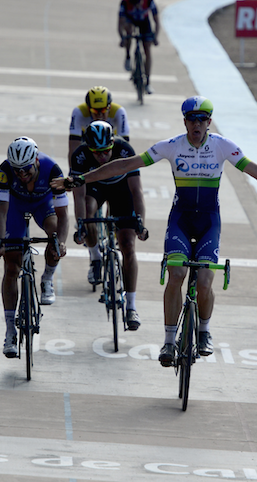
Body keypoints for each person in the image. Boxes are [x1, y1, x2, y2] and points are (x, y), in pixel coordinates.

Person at [51, 96, 257, 366]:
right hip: (181, 220)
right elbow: (126, 164)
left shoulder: (222, 146)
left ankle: (204, 331)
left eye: (202, 120)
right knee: (177, 275)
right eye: (192, 120)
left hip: (209, 221)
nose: (197, 125)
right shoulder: (172, 146)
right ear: (185, 122)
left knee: (205, 283)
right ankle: (169, 341)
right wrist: (78, 179)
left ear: (209, 122)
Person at [0, 137, 69, 358]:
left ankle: (46, 279)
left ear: (35, 160)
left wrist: (60, 242)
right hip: (15, 206)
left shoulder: (53, 171)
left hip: (43, 204)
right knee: (11, 267)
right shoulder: (5, 170)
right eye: (18, 171)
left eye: (26, 169)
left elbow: (63, 215)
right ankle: (9, 330)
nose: (21, 175)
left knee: (53, 236)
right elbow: (1, 210)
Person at [70, 120, 149, 330]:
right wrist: (81, 225)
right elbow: (78, 196)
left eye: (106, 151)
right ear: (88, 149)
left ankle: (131, 306)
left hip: (122, 191)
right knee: (88, 210)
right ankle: (96, 258)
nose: (102, 157)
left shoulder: (125, 150)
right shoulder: (79, 156)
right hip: (96, 188)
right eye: (96, 153)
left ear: (113, 144)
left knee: (128, 245)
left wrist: (140, 221)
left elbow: (136, 191)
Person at [69, 86, 130, 162]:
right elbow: (74, 145)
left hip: (112, 139)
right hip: (87, 139)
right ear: (88, 108)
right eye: (95, 110)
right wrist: (73, 169)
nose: (100, 114)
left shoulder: (119, 111)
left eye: (104, 110)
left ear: (110, 107)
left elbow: (125, 145)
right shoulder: (79, 112)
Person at [118, 0, 159, 94]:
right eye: (135, 4)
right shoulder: (125, 3)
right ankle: (128, 56)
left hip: (144, 22)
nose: (137, 6)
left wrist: (155, 37)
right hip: (130, 20)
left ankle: (147, 82)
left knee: (147, 49)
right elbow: (120, 24)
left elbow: (156, 21)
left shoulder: (149, 2)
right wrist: (122, 38)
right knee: (128, 31)